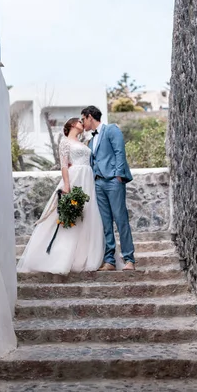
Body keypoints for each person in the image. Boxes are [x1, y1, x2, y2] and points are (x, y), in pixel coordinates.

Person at [17, 118, 104, 274]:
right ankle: (59, 255)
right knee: (70, 214)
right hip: (75, 176)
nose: (81, 123)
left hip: (88, 178)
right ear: (71, 125)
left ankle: (84, 254)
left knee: (88, 213)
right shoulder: (65, 142)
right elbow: (64, 165)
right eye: (79, 121)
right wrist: (66, 185)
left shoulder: (83, 142)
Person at [81, 105, 135, 271]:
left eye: (83, 119)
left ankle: (129, 259)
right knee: (105, 223)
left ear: (90, 117)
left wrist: (118, 175)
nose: (83, 123)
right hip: (98, 183)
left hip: (113, 181)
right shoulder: (90, 140)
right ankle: (110, 260)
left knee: (120, 219)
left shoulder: (111, 129)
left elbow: (120, 151)